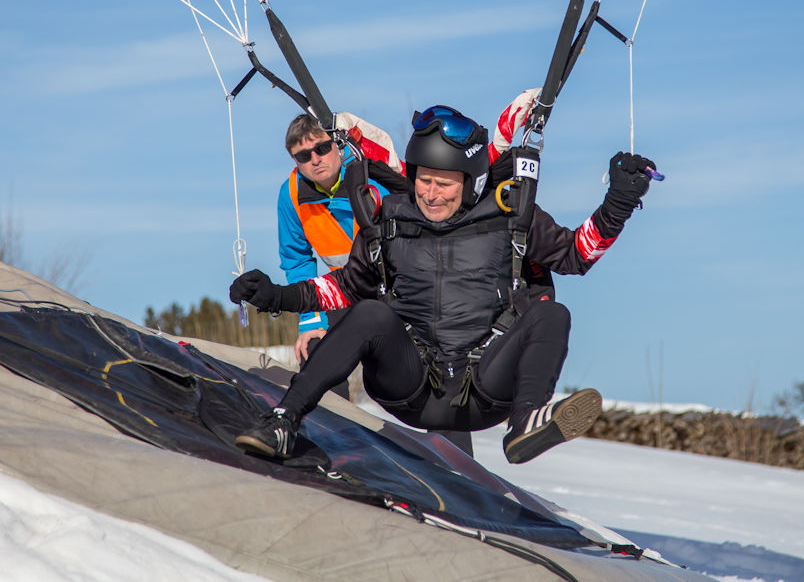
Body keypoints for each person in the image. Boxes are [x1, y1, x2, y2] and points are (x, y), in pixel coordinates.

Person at [233, 100, 656, 464]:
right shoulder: (389, 220)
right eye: (424, 181)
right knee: (368, 312)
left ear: (469, 183)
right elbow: (340, 287)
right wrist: (274, 296)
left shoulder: (510, 217)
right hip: (411, 384)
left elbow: (576, 254)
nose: (431, 194)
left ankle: (526, 420)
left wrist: (618, 203)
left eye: (444, 184)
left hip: (484, 390)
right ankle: (283, 421)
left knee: (552, 314)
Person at [278, 112, 402, 364]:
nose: (315, 159)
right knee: (314, 351)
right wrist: (311, 323)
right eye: (303, 156)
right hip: (346, 291)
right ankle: (325, 405)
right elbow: (297, 260)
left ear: (337, 145)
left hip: (396, 286)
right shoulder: (290, 195)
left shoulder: (369, 174)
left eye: (322, 148)